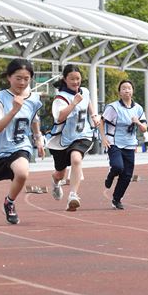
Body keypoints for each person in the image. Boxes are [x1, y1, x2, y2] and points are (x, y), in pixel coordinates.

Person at [0, 59, 44, 249]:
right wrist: (14, 109)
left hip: (18, 146)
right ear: (9, 78)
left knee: (22, 172)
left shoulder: (33, 98)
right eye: (18, 78)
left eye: (26, 79)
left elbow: (34, 119)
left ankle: (9, 202)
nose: (22, 83)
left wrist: (38, 138)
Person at [46, 64, 101, 211]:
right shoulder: (60, 98)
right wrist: (73, 103)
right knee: (60, 173)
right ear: (65, 79)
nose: (76, 82)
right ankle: (56, 182)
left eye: (78, 79)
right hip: (62, 140)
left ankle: (73, 195)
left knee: (76, 159)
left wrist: (93, 115)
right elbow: (59, 117)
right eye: (72, 79)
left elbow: (88, 101)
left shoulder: (84, 91)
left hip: (83, 134)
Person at [99, 80, 147, 210]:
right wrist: (103, 138)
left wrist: (138, 122)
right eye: (124, 88)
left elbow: (144, 129)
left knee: (127, 175)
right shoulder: (113, 107)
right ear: (119, 92)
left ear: (132, 91)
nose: (127, 90)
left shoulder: (138, 108)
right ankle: (110, 175)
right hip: (114, 142)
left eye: (129, 88)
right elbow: (101, 122)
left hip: (130, 145)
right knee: (118, 167)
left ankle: (117, 198)